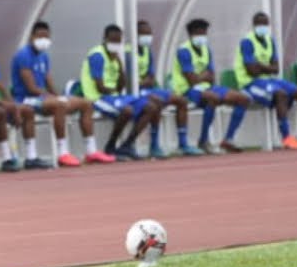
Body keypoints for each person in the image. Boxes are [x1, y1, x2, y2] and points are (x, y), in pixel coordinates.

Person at [11, 21, 115, 166]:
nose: (44, 41)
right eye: (40, 36)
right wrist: (55, 98)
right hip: (26, 99)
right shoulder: (23, 55)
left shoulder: (44, 56)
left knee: (86, 104)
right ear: (32, 36)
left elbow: (48, 80)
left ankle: (91, 151)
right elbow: (32, 88)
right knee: (59, 105)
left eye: (46, 37)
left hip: (44, 98)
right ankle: (63, 153)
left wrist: (58, 95)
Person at [234, 12, 297, 149]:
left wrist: (260, 65)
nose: (263, 27)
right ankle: (286, 137)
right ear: (254, 26)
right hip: (250, 83)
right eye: (260, 24)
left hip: (269, 80)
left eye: (265, 24)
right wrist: (266, 67)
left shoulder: (270, 40)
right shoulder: (247, 42)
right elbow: (252, 71)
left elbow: (276, 68)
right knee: (281, 94)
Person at [0, 24, 49, 170]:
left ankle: (31, 157)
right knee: (0, 112)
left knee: (27, 111)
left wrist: (12, 104)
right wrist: (2, 104)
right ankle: (6, 158)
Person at [79, 24, 162, 161]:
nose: (116, 44)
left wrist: (120, 63)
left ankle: (127, 145)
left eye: (118, 41)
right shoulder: (97, 55)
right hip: (98, 98)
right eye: (113, 41)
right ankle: (111, 145)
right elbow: (100, 87)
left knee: (150, 107)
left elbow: (120, 85)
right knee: (127, 110)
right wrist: (114, 91)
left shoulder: (115, 57)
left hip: (113, 96)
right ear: (105, 39)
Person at [170, 18, 250, 153]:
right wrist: (203, 76)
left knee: (243, 99)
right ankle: (203, 140)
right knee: (212, 98)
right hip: (187, 90)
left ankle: (228, 139)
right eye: (199, 34)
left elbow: (212, 77)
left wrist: (202, 77)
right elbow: (192, 81)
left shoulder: (206, 49)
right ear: (191, 35)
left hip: (206, 88)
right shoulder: (184, 51)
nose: (202, 37)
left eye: (204, 34)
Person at [132, 19, 203, 157]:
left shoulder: (148, 51)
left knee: (181, 101)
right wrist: (143, 82)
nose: (148, 37)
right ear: (136, 35)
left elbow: (151, 78)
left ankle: (183, 144)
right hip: (134, 91)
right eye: (144, 34)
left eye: (149, 33)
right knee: (156, 102)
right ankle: (154, 145)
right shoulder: (129, 52)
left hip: (147, 89)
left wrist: (145, 81)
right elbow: (131, 80)